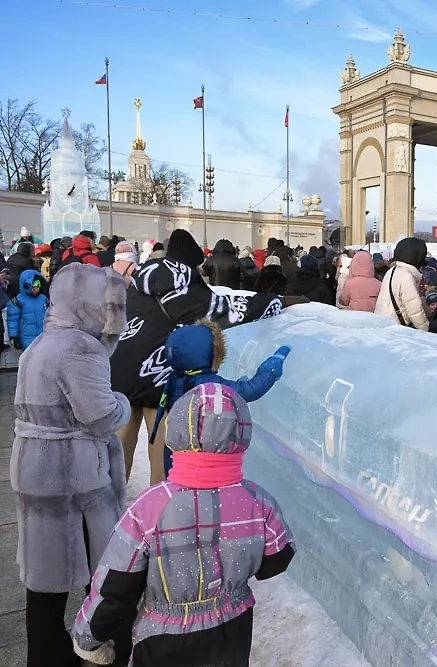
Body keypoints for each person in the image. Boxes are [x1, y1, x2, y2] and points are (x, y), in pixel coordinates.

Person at [72, 383, 295, 667]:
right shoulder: (257, 499)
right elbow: (278, 558)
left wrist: (88, 637)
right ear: (241, 432)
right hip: (232, 631)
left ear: (177, 430)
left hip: (164, 639)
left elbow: (116, 583)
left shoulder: (151, 505)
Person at [11, 263, 133, 667]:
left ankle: (46, 656)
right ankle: (99, 648)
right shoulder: (81, 348)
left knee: (46, 582)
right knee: (101, 575)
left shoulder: (41, 344)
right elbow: (100, 416)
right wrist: (123, 403)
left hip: (37, 470)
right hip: (74, 477)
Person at [110, 229, 284, 486]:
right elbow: (233, 309)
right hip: (156, 380)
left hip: (120, 374)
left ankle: (108, 514)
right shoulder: (184, 291)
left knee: (116, 456)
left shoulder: (139, 281)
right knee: (162, 455)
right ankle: (160, 514)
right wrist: (283, 301)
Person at [153, 321, 289, 476]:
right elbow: (250, 390)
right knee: (198, 493)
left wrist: (235, 386)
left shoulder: (176, 377)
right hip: (200, 455)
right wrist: (270, 369)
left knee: (178, 488)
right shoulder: (206, 382)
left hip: (174, 452)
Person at [375, 237, 430, 330]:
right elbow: (415, 310)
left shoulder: (391, 271)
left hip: (383, 323)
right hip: (395, 329)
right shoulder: (406, 276)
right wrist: (426, 330)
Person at [7, 269, 47, 350]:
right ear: (27, 285)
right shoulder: (18, 301)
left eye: (39, 285)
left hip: (42, 335)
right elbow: (12, 320)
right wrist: (13, 336)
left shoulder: (43, 299)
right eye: (35, 285)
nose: (37, 288)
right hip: (26, 337)